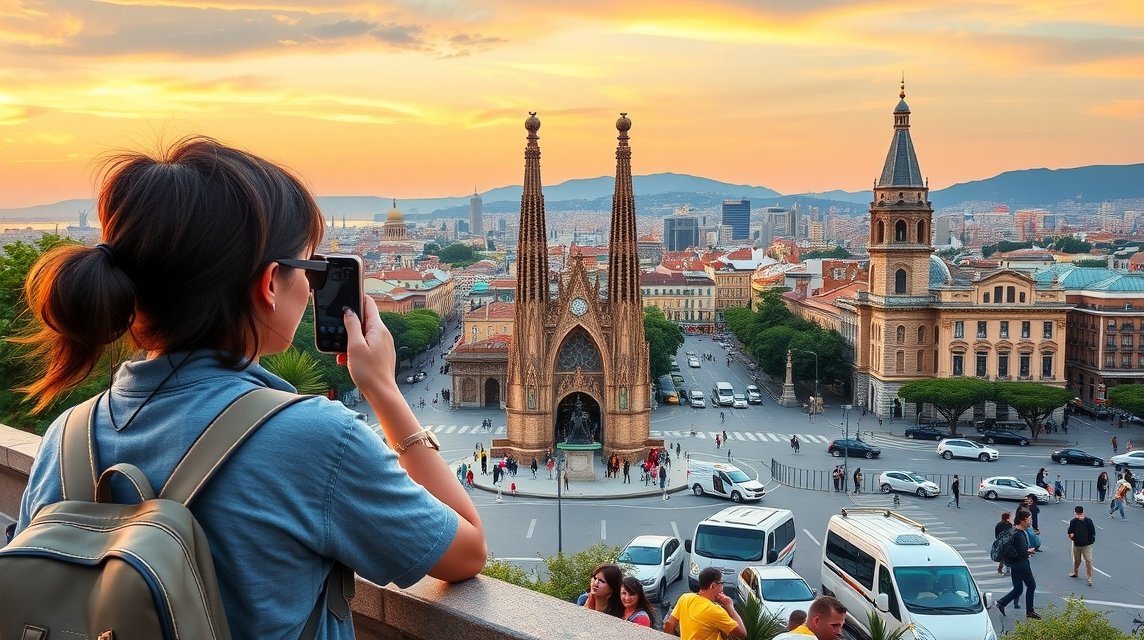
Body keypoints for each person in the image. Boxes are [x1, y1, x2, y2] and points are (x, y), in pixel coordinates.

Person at [9, 137, 486, 638]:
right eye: (309, 269)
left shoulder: (68, 437)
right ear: (269, 283)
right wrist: (383, 391)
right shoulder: (312, 437)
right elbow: (465, 550)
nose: (311, 287)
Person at [664, 567, 747, 639]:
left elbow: (669, 624)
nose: (722, 588)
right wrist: (730, 606)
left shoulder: (685, 598)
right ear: (713, 586)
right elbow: (742, 634)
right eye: (721, 584)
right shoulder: (715, 611)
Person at [995, 510, 1040, 619]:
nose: (1031, 521)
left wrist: (1025, 551)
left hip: (1014, 564)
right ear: (1023, 520)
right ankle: (1030, 611)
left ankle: (1001, 603)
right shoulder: (1019, 534)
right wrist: (1028, 551)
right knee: (1031, 585)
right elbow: (1021, 551)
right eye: (1029, 519)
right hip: (1021, 564)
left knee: (1018, 588)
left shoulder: (1013, 530)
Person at [772, 595, 847, 640]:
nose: (839, 633)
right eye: (834, 625)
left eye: (841, 626)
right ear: (816, 621)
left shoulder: (781, 637)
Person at [1067, 505, 1096, 586]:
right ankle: (1075, 572)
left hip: (1086, 545)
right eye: (1077, 514)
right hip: (1076, 544)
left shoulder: (1088, 521)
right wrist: (1071, 536)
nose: (1078, 516)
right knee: (1077, 560)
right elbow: (1070, 532)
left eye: (1079, 514)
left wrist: (1090, 541)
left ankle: (1089, 578)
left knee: (1088, 560)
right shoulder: (1073, 521)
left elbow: (1092, 532)